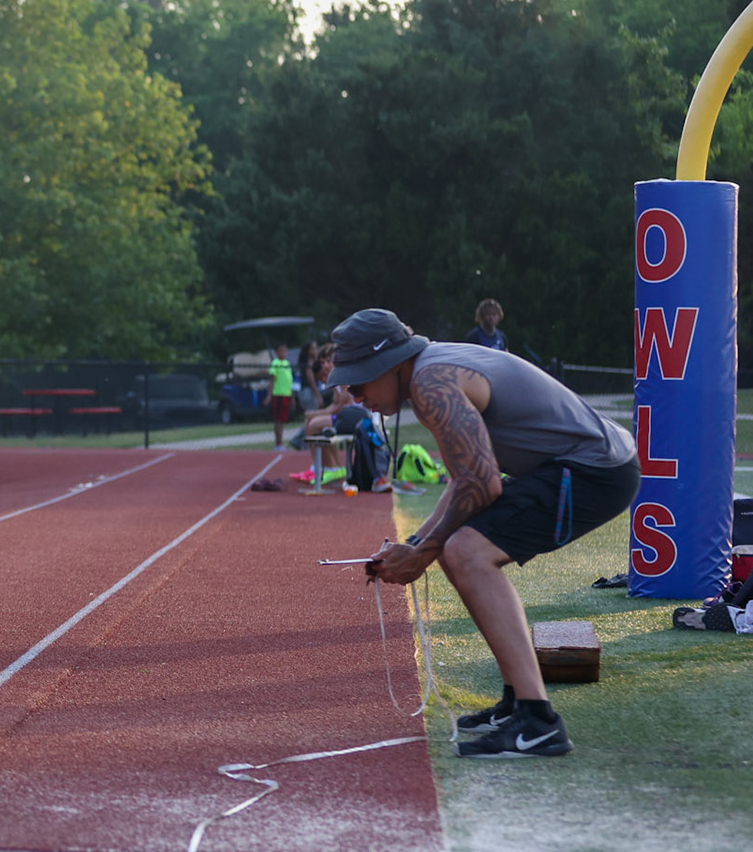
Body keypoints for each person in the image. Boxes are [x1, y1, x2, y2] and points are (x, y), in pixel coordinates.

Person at [329, 308, 639, 759]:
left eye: (359, 383)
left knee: (467, 553)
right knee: (457, 547)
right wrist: (417, 545)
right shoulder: (430, 369)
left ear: (391, 365)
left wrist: (422, 554)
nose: (357, 396)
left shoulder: (432, 384)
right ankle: (519, 702)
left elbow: (481, 484)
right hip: (587, 462)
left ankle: (539, 722)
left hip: (595, 470)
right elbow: (463, 480)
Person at [268, 341, 295, 448]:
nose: (284, 353)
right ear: (277, 352)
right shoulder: (275, 363)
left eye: (285, 351)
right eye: (281, 351)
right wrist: (269, 395)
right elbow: (272, 380)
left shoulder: (287, 364)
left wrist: (292, 397)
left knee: (283, 420)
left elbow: (290, 381)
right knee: (278, 420)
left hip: (286, 394)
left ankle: (281, 442)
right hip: (278, 394)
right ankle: (278, 443)